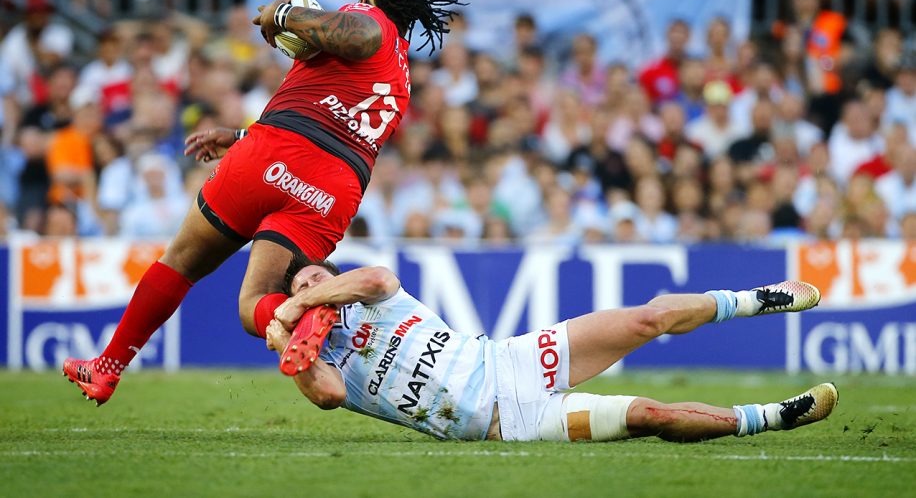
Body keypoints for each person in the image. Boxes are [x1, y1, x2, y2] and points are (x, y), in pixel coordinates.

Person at [62, 0, 463, 405]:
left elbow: (358, 34)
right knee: (254, 305)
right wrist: (238, 134)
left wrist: (286, 13)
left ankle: (107, 367)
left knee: (181, 263)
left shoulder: (372, 20)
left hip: (271, 157)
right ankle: (306, 311)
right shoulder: (400, 76)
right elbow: (331, 118)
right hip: (332, 187)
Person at [265, 255, 837, 442]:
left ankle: (759, 297)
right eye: (301, 286)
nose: (312, 289)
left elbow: (376, 277)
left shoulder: (371, 300)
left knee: (649, 318)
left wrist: (292, 304)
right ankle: (773, 418)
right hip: (511, 423)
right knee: (650, 416)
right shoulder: (325, 361)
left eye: (317, 278)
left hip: (511, 360)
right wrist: (291, 348)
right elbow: (329, 396)